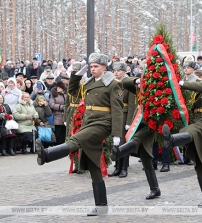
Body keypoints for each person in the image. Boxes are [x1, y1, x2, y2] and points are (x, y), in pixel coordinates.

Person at [37, 53, 124, 215]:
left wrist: (117, 135)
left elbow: (118, 110)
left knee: (76, 139)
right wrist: (77, 76)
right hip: (88, 122)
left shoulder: (113, 84)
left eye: (96, 66)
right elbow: (72, 92)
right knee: (93, 165)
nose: (93, 69)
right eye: (91, 66)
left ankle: (47, 155)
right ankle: (101, 206)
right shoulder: (89, 83)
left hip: (103, 124)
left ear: (104, 67)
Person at [162, 60, 202, 206]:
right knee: (199, 163)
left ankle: (171, 140)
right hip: (198, 122)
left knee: (191, 131)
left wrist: (183, 83)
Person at [108, 62, 136, 177]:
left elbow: (132, 105)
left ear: (124, 71)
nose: (116, 72)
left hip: (124, 115)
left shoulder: (128, 84)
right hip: (116, 115)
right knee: (116, 142)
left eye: (119, 70)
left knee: (124, 143)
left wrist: (129, 122)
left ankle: (124, 168)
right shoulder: (114, 83)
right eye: (114, 70)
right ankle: (117, 167)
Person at [50, 81, 67, 146]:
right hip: (57, 115)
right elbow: (52, 104)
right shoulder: (54, 94)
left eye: (60, 88)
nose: (58, 89)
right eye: (57, 87)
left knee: (64, 131)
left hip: (65, 115)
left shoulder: (66, 94)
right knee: (58, 132)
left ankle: (64, 145)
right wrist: (61, 107)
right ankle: (58, 145)